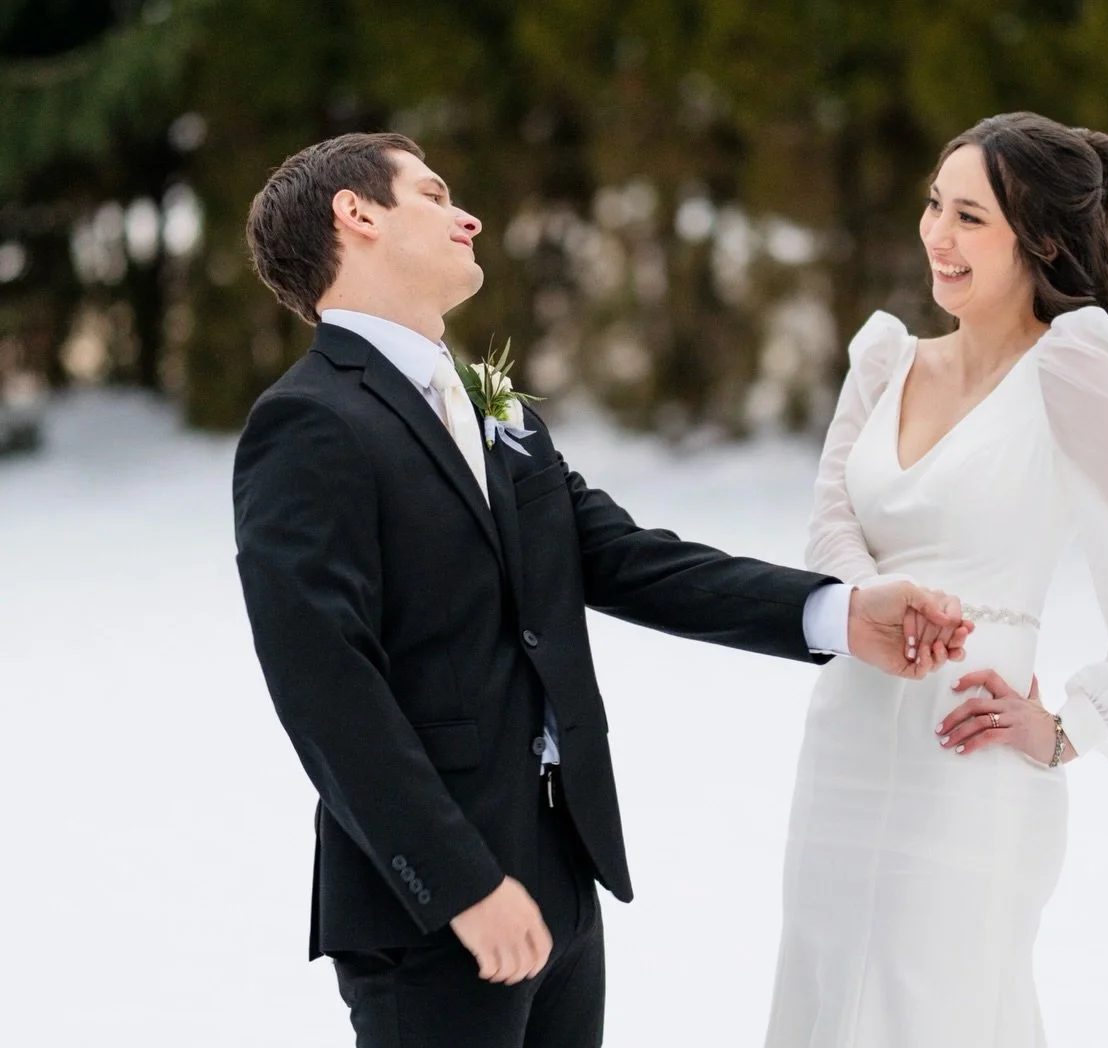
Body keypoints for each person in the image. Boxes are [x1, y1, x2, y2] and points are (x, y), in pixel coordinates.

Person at [232, 131, 972, 1048]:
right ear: (358, 214)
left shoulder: (485, 404)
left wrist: (837, 613)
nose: (467, 216)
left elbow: (623, 558)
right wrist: (460, 884)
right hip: (431, 907)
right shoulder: (308, 422)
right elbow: (325, 684)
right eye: (432, 194)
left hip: (562, 877)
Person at [764, 111, 1108, 1048]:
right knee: (823, 994)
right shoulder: (887, 358)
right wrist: (870, 602)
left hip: (969, 753)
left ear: (1042, 241)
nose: (937, 233)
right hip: (847, 733)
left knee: (931, 1004)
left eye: (971, 217)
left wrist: (1074, 727)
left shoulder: (1073, 366)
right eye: (936, 205)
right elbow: (831, 520)